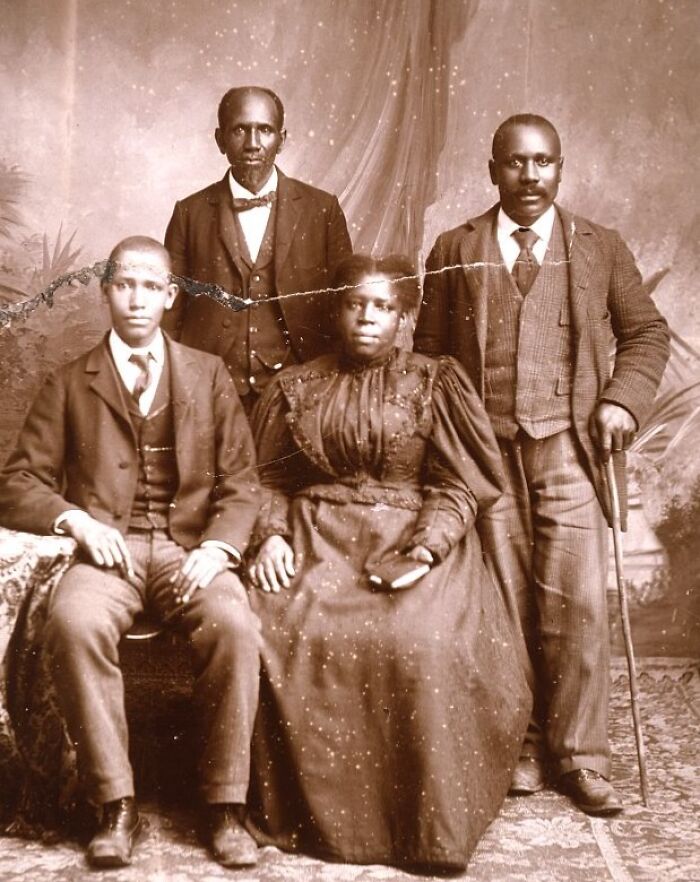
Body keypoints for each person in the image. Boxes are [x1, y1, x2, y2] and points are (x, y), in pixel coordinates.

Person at [413, 114, 670, 815]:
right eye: (515, 162)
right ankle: (521, 746)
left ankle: (581, 757)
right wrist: (450, 442)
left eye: (543, 162)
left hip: (570, 447)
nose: (530, 175)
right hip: (486, 452)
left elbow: (646, 334)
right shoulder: (455, 247)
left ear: (560, 168)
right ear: (492, 170)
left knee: (576, 603)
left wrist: (621, 401)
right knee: (504, 601)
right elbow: (429, 356)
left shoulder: (599, 247)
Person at [244, 254, 532, 872]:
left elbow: (460, 484)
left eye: (383, 307)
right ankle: (308, 817)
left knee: (419, 639)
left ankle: (424, 829)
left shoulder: (435, 381)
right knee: (278, 624)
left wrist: (427, 547)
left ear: (405, 317)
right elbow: (264, 480)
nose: (367, 318)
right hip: (314, 537)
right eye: (355, 304)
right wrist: (270, 536)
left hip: (412, 539)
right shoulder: (297, 386)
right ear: (337, 311)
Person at [0, 237, 263, 869]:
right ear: (105, 293)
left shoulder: (208, 374)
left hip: (188, 548)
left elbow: (242, 483)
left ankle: (225, 805)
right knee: (73, 622)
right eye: (124, 285)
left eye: (150, 287)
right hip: (108, 553)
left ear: (170, 296)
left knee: (234, 625)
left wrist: (220, 548)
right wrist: (77, 522)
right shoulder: (70, 381)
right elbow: (18, 481)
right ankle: (115, 804)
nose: (137, 299)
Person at [163, 86, 353, 413]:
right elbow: (169, 314)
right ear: (220, 140)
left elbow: (344, 304)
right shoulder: (189, 213)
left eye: (264, 130)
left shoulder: (323, 210)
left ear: (282, 139)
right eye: (240, 130)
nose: (253, 143)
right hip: (209, 391)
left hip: (303, 392)